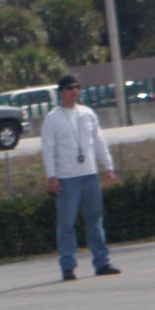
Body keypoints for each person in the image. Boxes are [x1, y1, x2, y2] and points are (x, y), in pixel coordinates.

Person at [40, 74, 121, 281]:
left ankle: (102, 263)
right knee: (66, 223)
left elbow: (98, 141)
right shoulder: (52, 118)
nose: (74, 91)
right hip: (67, 177)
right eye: (69, 88)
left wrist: (108, 166)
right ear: (61, 92)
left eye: (77, 87)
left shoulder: (87, 113)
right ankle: (68, 267)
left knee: (95, 220)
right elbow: (48, 149)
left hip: (89, 174)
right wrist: (52, 176)